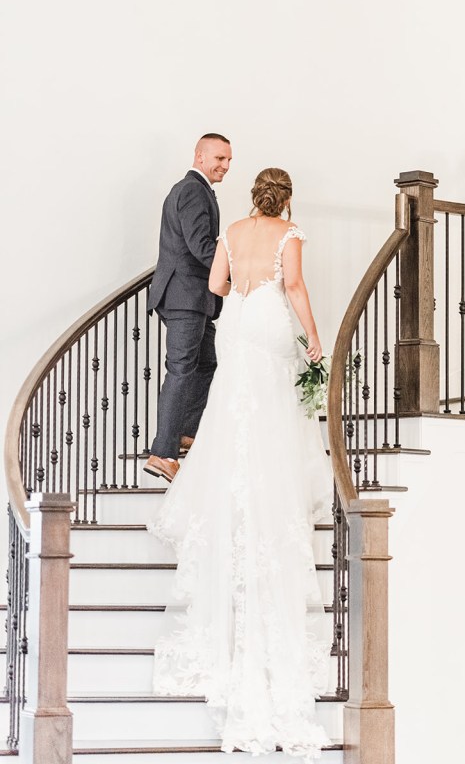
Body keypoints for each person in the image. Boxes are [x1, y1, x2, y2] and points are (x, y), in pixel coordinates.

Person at [148, 168, 332, 760]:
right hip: (273, 320)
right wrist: (314, 338)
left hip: (238, 326)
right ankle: (275, 488)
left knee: (233, 405)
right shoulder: (290, 233)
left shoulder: (232, 229)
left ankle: (227, 483)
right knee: (276, 407)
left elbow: (219, 287)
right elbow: (297, 287)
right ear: (288, 197)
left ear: (254, 195)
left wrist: (246, 279)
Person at [145, 133, 233, 484]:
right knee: (181, 369)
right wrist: (237, 274)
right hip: (186, 297)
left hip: (195, 298)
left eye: (229, 160)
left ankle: (184, 431)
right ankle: (163, 452)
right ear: (200, 156)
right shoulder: (193, 190)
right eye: (219, 158)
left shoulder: (193, 189)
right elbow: (201, 246)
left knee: (207, 363)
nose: (225, 166)